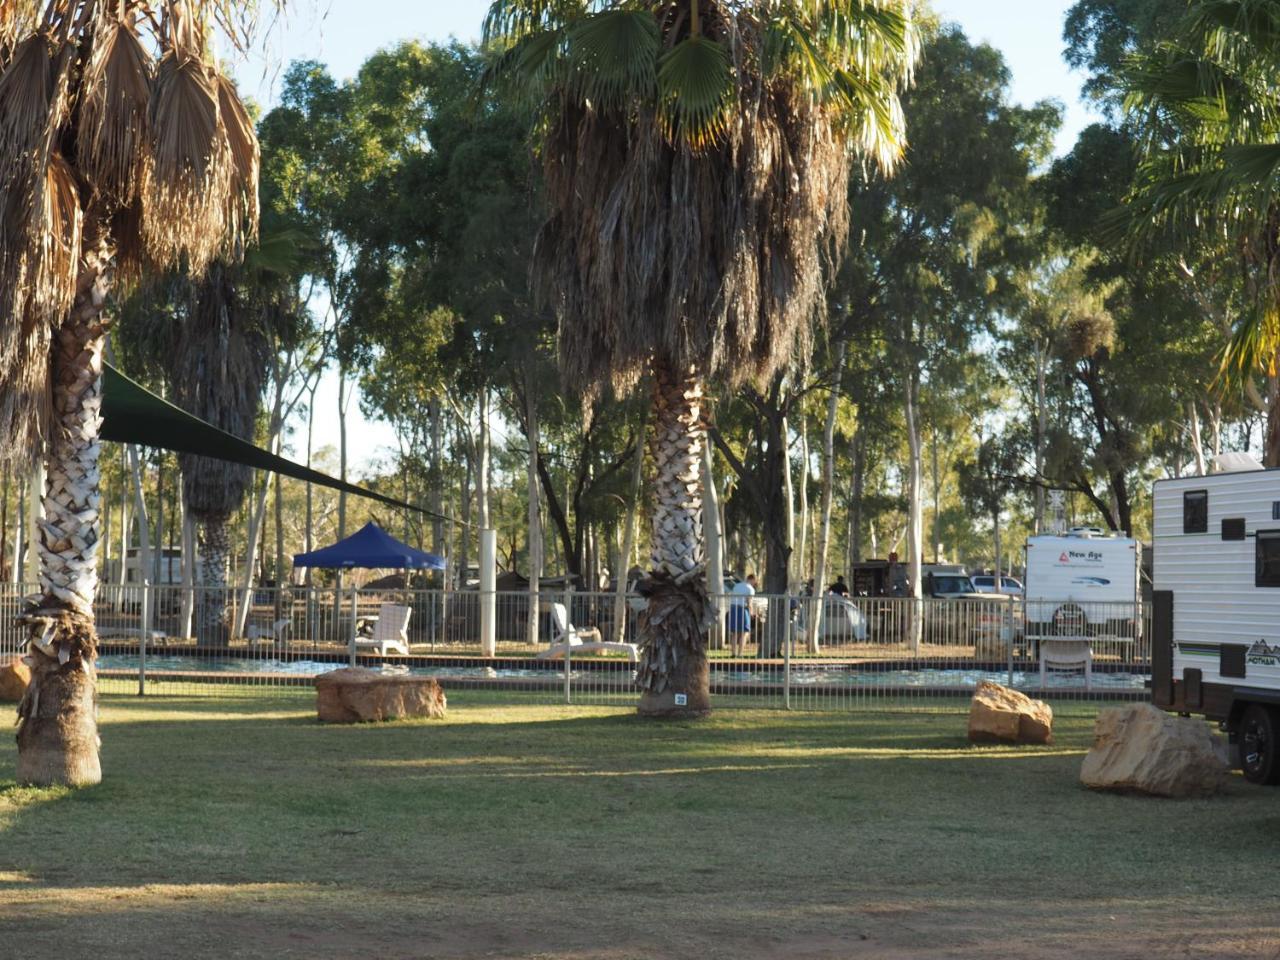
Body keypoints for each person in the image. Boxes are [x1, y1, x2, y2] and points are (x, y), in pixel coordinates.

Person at [728, 573, 756, 657]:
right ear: (752, 580)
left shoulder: (737, 586)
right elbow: (749, 602)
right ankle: (740, 653)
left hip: (733, 608)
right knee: (745, 632)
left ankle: (733, 653)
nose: (754, 584)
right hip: (742, 609)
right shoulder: (750, 589)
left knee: (734, 633)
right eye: (754, 582)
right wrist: (751, 613)